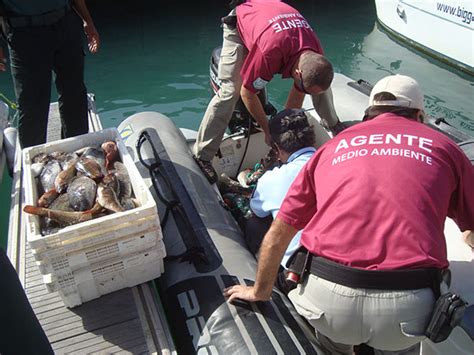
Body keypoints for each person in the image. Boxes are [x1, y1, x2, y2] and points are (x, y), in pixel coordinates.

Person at [224, 74, 474, 354]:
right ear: (419, 115)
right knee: (398, 343)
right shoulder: (446, 150)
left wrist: (260, 291)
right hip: (406, 313)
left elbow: (279, 233)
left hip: (330, 305)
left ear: (368, 113)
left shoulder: (331, 148)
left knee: (334, 342)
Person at [193, 0, 344, 183]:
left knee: (318, 86)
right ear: (297, 72)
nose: (303, 91)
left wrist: (284, 130)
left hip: (271, 24)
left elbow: (299, 91)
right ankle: (203, 155)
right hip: (242, 24)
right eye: (303, 87)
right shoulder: (270, 53)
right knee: (230, 91)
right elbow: (247, 93)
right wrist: (268, 130)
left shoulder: (314, 54)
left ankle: (333, 123)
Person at [0, 0, 100, 148]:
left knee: (74, 93)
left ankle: (78, 152)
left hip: (65, 23)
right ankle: (33, 161)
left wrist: (88, 21)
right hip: (24, 32)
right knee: (32, 106)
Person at [244, 108, 316, 272]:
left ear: (277, 147)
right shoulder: (335, 164)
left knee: (254, 222)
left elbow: (258, 212)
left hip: (300, 269)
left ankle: (257, 267)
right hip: (342, 257)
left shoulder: (271, 179)